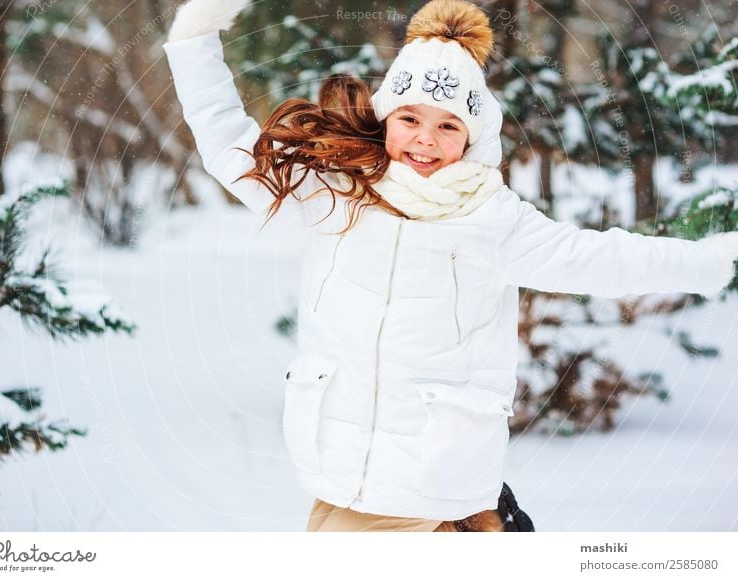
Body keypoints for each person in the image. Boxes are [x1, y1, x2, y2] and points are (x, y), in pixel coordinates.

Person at [163, 0, 738, 532]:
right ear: (386, 117)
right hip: (336, 470)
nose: (425, 140)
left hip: (431, 480)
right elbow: (228, 144)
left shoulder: (494, 221)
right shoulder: (333, 197)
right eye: (409, 118)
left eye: (447, 126)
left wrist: (714, 259)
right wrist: (196, 38)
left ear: (472, 137)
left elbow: (606, 259)